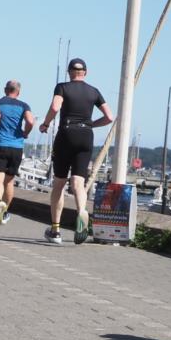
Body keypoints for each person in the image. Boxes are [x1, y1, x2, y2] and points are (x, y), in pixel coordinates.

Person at [38, 57, 113, 245]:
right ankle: (82, 212)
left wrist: (46, 123)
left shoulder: (62, 87)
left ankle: (55, 231)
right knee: (78, 182)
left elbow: (56, 106)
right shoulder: (94, 91)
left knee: (59, 183)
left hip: (66, 134)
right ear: (85, 73)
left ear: (70, 72)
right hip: (86, 135)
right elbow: (109, 117)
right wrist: (90, 125)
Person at [0, 80, 35, 225]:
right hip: (16, 147)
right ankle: (4, 212)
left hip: (0, 144)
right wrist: (25, 133)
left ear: (5, 90)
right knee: (9, 181)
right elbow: (30, 121)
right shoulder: (23, 105)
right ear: (18, 92)